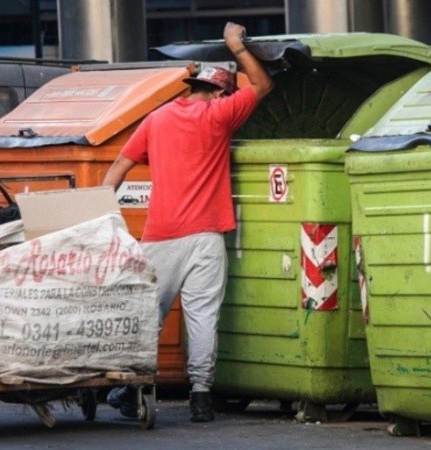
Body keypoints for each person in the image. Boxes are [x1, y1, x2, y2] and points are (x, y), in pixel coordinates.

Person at [101, 21, 273, 422]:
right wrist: (236, 46)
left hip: (160, 236)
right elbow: (263, 85)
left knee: (147, 315)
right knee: (202, 316)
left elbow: (119, 167)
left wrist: (98, 217)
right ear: (220, 92)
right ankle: (200, 396)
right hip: (206, 237)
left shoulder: (155, 119)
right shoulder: (219, 114)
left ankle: (133, 388)